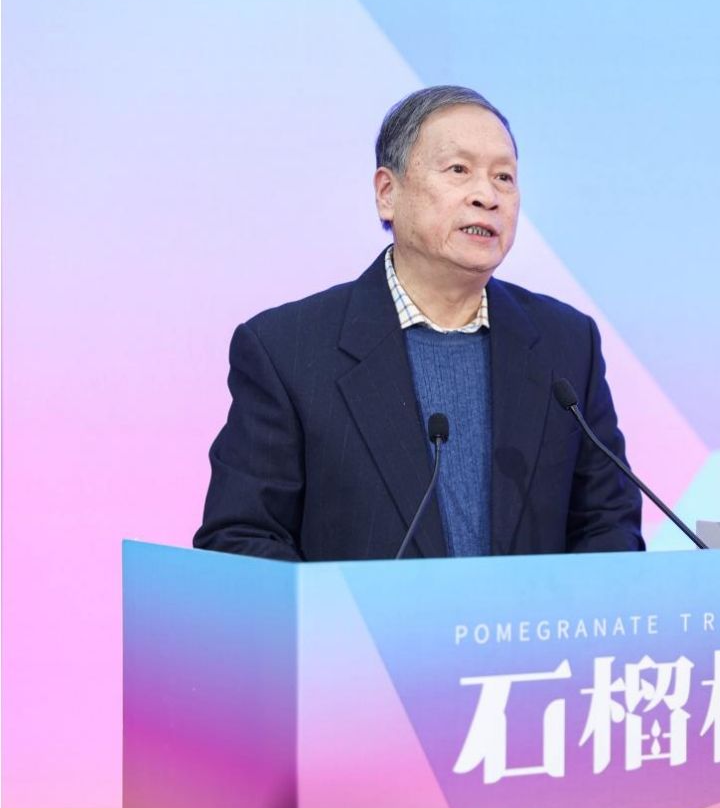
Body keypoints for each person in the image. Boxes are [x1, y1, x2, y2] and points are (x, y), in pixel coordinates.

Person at [194, 86, 644, 560]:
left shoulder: (566, 343)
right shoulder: (288, 350)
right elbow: (240, 538)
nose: (487, 196)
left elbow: (608, 524)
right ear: (387, 193)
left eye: (504, 177)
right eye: (459, 170)